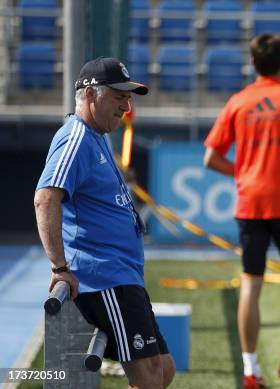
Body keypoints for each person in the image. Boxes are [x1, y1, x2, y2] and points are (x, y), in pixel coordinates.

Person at [34, 57, 176, 389]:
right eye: (118, 97)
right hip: (103, 277)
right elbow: (45, 198)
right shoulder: (76, 138)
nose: (127, 107)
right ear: (90, 95)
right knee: (151, 375)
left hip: (121, 275)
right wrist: (59, 268)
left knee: (163, 369)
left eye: (128, 98)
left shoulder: (96, 133)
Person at [203, 34, 280, 389]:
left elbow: (210, 157)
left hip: (250, 203)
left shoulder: (239, 101)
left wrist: (241, 171)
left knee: (250, 286)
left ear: (253, 63)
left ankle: (250, 370)